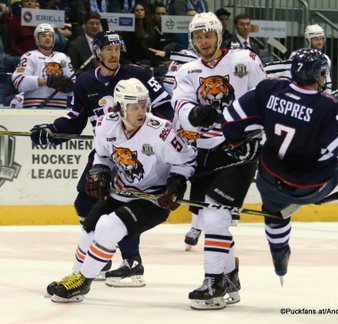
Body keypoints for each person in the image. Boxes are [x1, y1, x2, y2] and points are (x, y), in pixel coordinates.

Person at [221, 48, 338, 286]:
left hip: (270, 179)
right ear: (320, 76)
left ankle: (279, 254)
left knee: (274, 210)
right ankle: (306, 199)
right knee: (334, 153)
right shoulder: (329, 108)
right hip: (313, 187)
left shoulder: (269, 89)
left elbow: (229, 119)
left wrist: (239, 144)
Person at [29, 31, 174, 291]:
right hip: (107, 154)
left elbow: (166, 109)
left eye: (117, 48)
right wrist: (52, 131)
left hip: (137, 154)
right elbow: (75, 120)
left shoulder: (138, 75)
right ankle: (102, 256)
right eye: (108, 49)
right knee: (85, 203)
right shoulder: (85, 82)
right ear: (97, 53)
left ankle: (132, 263)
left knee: (125, 209)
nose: (114, 53)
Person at [48, 78, 196, 303]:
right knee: (89, 229)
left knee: (108, 226)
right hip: (122, 192)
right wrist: (100, 171)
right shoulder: (106, 124)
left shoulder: (161, 131)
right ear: (119, 107)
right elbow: (103, 155)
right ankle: (75, 276)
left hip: (153, 200)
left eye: (144, 105)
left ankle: (83, 282)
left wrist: (176, 183)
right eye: (134, 107)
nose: (141, 112)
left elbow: (186, 160)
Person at [171, 12, 266, 310]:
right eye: (197, 37)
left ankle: (213, 282)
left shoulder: (246, 60)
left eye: (207, 35)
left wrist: (254, 136)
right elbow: (181, 104)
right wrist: (194, 115)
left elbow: (264, 98)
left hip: (240, 148)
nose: (203, 41)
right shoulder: (186, 70)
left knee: (214, 216)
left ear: (218, 35)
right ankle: (230, 277)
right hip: (204, 151)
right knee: (216, 217)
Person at [11, 23, 74, 108]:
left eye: (50, 36)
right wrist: (45, 81)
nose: (48, 38)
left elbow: (73, 88)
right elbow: (18, 81)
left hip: (60, 109)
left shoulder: (64, 57)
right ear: (37, 39)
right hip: (34, 109)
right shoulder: (29, 56)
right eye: (44, 36)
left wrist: (68, 86)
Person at [264, 24, 332, 94]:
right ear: (308, 40)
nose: (320, 42)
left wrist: (327, 94)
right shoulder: (297, 55)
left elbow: (326, 79)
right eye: (316, 39)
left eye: (321, 39)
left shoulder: (326, 59)